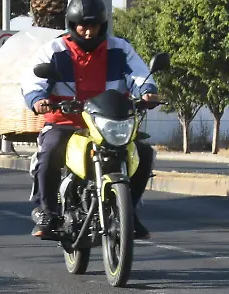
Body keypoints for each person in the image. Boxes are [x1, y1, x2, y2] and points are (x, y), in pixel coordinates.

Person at [22, 0, 159, 240]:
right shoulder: (54, 49)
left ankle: (129, 211)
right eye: (82, 26)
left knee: (143, 153)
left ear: (102, 25)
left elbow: (138, 73)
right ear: (71, 24)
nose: (88, 31)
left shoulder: (120, 48)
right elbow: (33, 82)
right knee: (50, 150)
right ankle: (48, 212)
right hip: (66, 122)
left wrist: (147, 90)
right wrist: (38, 99)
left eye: (93, 26)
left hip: (110, 122)